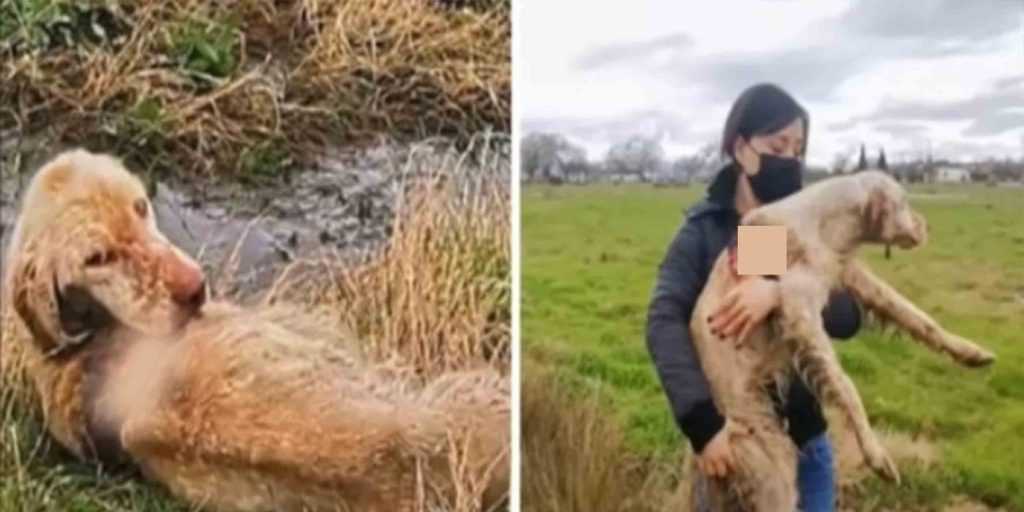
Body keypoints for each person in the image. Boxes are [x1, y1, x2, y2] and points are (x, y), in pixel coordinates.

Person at [644, 83, 862, 511]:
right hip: (732, 449)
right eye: (778, 144)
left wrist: (781, 292)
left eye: (798, 148)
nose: (791, 159)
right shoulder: (705, 234)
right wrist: (702, 426)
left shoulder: (801, 230)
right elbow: (663, 320)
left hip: (806, 445)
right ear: (741, 149)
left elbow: (849, 315)